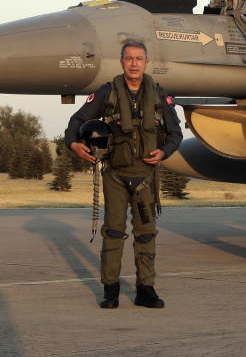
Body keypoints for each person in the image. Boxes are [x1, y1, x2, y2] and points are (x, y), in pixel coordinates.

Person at [65, 40, 182, 309]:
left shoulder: (159, 96)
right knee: (114, 232)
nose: (133, 63)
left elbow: (176, 134)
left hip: (145, 179)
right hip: (115, 176)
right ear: (121, 62)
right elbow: (76, 121)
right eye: (128, 58)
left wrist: (163, 152)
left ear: (146, 63)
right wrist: (74, 143)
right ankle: (111, 290)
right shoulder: (107, 93)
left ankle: (146, 289)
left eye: (138, 59)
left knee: (145, 234)